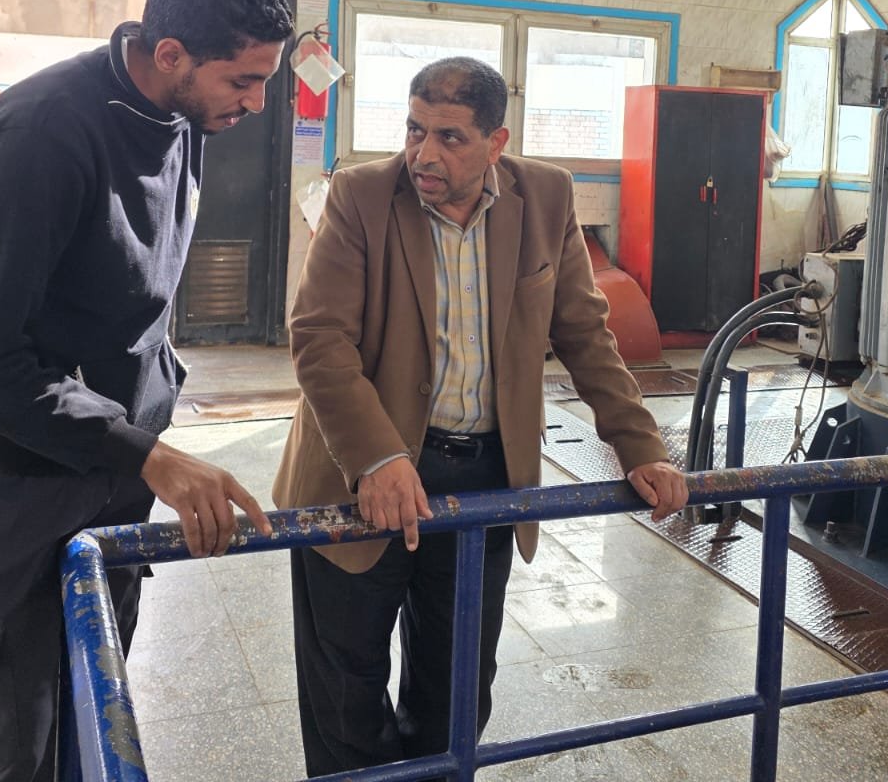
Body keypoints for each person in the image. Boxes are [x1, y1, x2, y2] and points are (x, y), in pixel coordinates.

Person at [0, 0, 292, 782]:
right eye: (242, 81)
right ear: (170, 55)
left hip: (113, 469)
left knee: (89, 710)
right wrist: (148, 453)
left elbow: (134, 302)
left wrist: (142, 437)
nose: (257, 103)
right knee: (9, 743)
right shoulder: (40, 136)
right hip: (20, 485)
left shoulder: (184, 118)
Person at [275, 56, 688, 776]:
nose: (424, 154)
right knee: (346, 692)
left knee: (456, 689)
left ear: (497, 143)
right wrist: (377, 457)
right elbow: (319, 337)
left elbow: (584, 332)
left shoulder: (546, 197)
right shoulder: (360, 196)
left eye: (450, 137)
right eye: (414, 130)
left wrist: (640, 444)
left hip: (482, 481)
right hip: (358, 474)